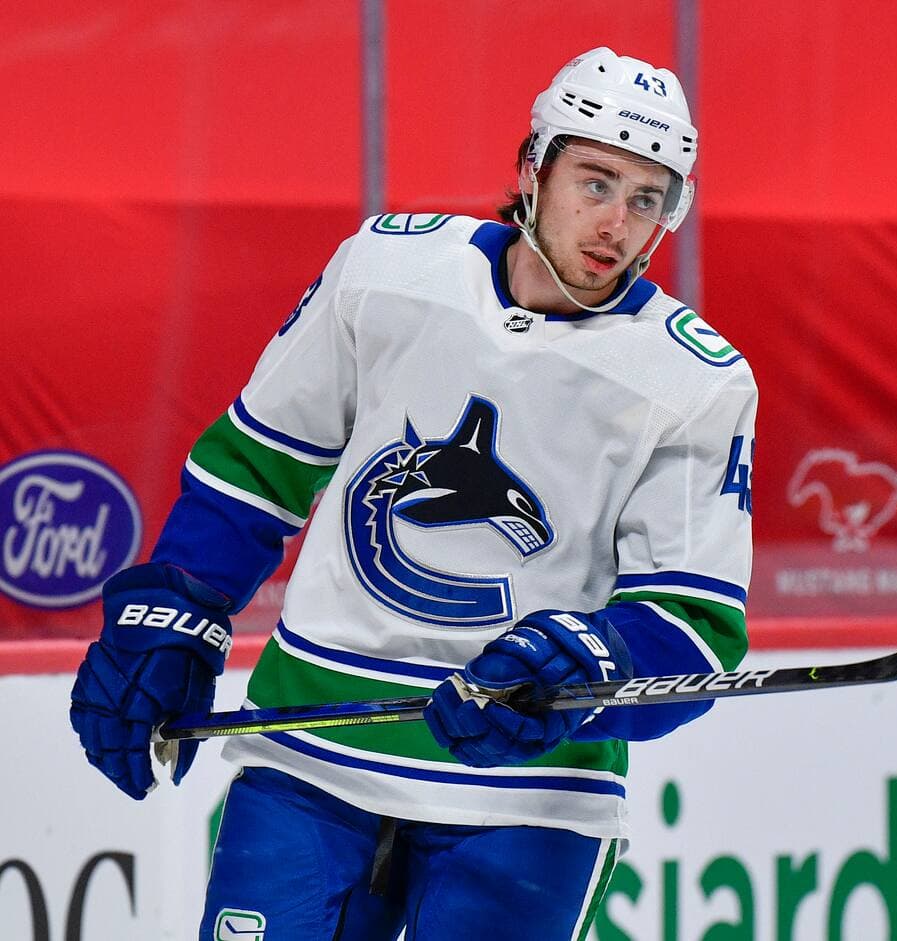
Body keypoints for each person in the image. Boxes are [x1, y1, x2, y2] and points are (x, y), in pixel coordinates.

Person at [69, 47, 757, 940]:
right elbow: (257, 466)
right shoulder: (388, 271)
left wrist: (587, 662)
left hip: (530, 797)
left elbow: (693, 628)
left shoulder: (693, 378)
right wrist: (177, 606)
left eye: (647, 199)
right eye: (595, 183)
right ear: (533, 168)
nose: (616, 223)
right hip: (315, 748)